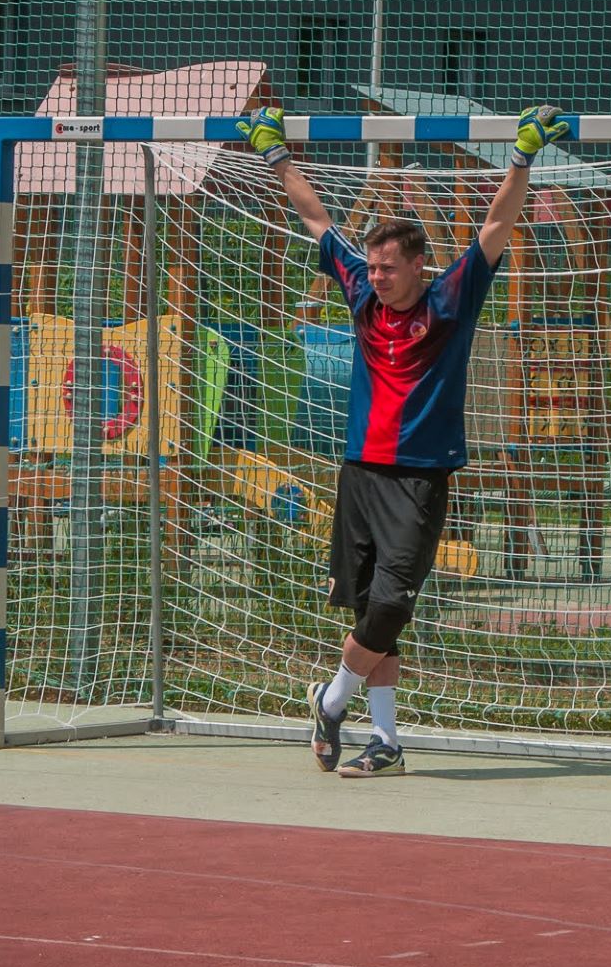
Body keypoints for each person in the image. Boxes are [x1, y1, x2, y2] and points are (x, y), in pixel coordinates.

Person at [237, 103, 570, 777]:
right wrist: (276, 155)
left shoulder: (451, 298)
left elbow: (497, 224)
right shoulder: (358, 289)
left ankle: (331, 701)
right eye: (375, 267)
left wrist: (521, 159)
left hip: (420, 476)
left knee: (392, 601)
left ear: (419, 266)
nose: (378, 276)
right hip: (360, 472)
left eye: (390, 268)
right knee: (373, 612)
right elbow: (315, 217)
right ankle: (385, 740)